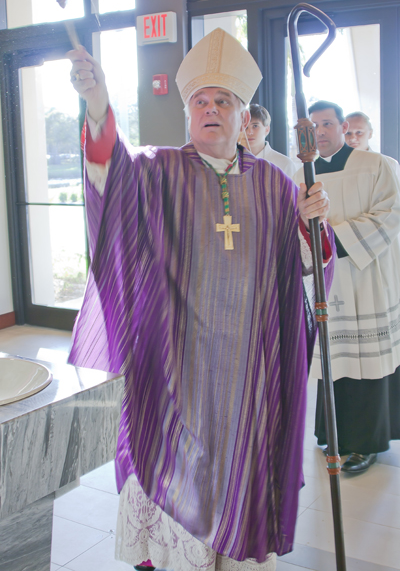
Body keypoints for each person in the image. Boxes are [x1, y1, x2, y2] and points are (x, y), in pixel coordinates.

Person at [67, 29, 334, 571]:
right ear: (188, 111)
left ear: (244, 117)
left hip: (249, 377)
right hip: (174, 371)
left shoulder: (277, 185)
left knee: (241, 483)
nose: (211, 110)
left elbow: (304, 272)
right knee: (174, 480)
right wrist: (97, 104)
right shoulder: (156, 170)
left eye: (224, 102)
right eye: (201, 101)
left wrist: (313, 229)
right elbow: (108, 179)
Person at [294, 99, 400, 474]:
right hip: (328, 284)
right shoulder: (300, 174)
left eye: (327, 124)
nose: (319, 133)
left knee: (365, 361)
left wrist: (334, 240)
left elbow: (391, 214)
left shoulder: (377, 166)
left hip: (365, 276)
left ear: (343, 127)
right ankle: (332, 435)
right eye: (313, 128)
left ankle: (365, 443)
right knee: (333, 361)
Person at [241, 103, 298, 178]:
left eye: (255, 126)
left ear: (267, 129)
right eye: (245, 127)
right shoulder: (231, 162)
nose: (249, 132)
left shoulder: (284, 164)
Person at [345, 111, 400, 178]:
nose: (352, 138)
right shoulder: (334, 166)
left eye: (359, 132)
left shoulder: (389, 164)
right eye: (348, 133)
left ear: (370, 134)